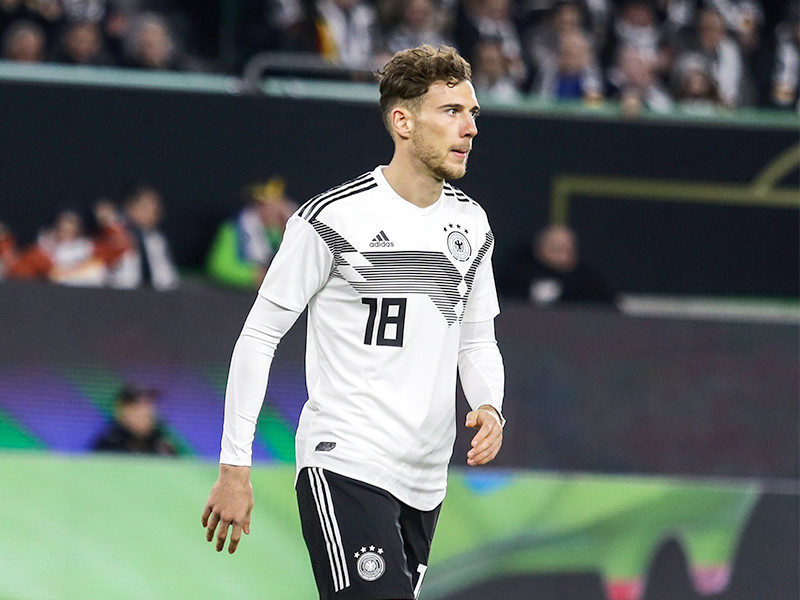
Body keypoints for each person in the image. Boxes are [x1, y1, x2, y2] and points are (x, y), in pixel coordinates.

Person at [202, 44, 505, 600]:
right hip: (345, 459)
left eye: (472, 113)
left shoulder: (471, 224)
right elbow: (259, 337)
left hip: (426, 479)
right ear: (403, 122)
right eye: (452, 112)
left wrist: (489, 405)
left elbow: (477, 337)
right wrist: (234, 466)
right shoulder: (334, 218)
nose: (470, 128)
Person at [206, 176, 294, 290]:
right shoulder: (235, 226)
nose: (271, 210)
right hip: (239, 294)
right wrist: (253, 276)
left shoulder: (290, 229)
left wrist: (287, 229)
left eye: (276, 204)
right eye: (263, 204)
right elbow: (220, 267)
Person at [500, 224, 615, 306]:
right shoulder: (518, 273)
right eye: (556, 248)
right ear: (539, 249)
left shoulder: (587, 280)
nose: (562, 255)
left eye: (567, 249)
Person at [107, 184, 179, 290]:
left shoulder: (157, 240)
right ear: (131, 207)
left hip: (155, 297)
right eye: (149, 207)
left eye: (157, 208)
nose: (157, 213)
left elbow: (167, 278)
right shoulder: (112, 233)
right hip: (116, 295)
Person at [91, 384, 177, 455]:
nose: (147, 411)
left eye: (149, 405)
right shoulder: (107, 446)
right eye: (138, 406)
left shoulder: (162, 446)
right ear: (121, 410)